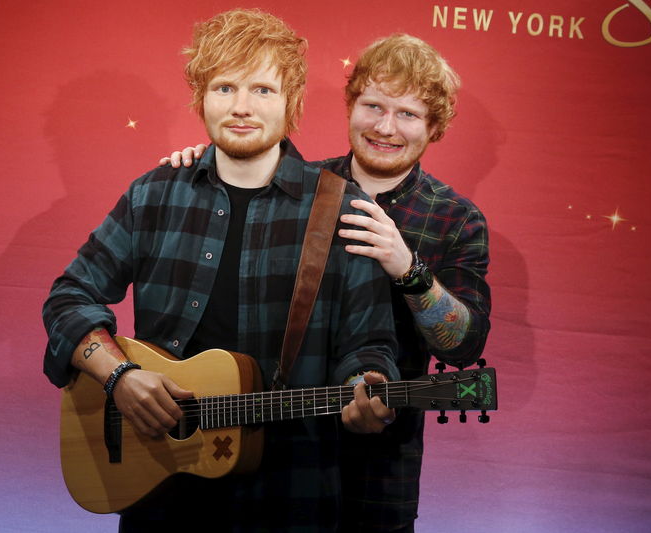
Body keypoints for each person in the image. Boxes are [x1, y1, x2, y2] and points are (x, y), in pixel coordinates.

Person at [42, 9, 400, 532]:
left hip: (289, 493)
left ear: (291, 102)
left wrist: (369, 386)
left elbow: (370, 344)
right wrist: (118, 375)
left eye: (262, 90)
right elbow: (68, 298)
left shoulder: (342, 209)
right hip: (160, 491)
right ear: (201, 98)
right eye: (224, 87)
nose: (240, 107)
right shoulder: (155, 193)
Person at [164, 33, 491, 532]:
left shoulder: (456, 219)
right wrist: (209, 163)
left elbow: (465, 346)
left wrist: (408, 267)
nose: (385, 127)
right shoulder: (297, 186)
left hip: (381, 468)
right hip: (271, 456)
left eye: (407, 114)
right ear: (351, 105)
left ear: (434, 127)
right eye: (373, 105)